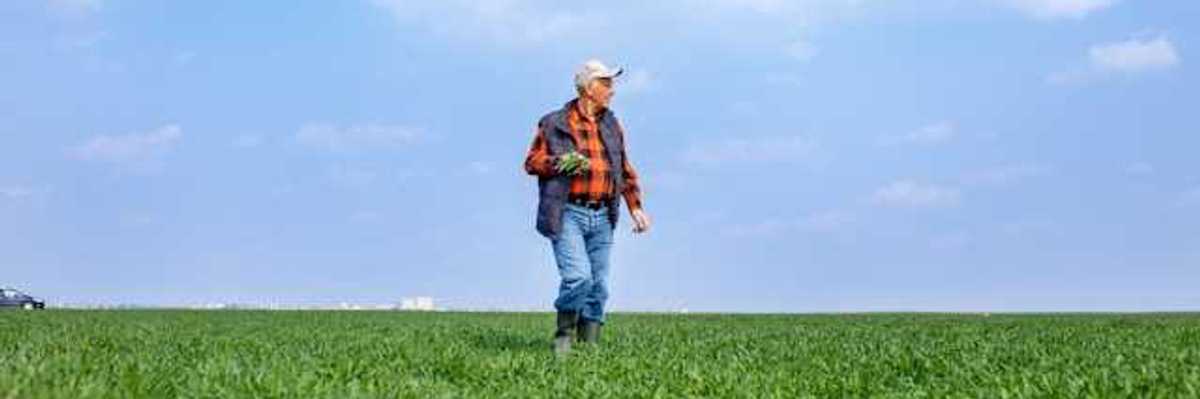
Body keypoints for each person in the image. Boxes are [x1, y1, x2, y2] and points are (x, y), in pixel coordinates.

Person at [523, 59, 652, 355]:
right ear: (588, 88)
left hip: (603, 215)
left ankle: (589, 349)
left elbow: (622, 168)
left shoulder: (611, 123)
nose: (612, 90)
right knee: (578, 277)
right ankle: (564, 337)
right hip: (568, 212)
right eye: (606, 83)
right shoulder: (554, 122)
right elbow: (531, 162)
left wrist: (635, 207)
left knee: (599, 287)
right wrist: (560, 163)